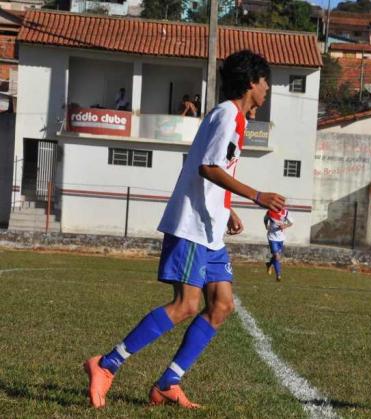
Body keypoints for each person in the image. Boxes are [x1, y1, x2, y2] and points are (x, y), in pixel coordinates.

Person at [83, 50, 284, 409]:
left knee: (221, 305)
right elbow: (207, 167)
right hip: (191, 225)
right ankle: (106, 364)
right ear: (252, 82)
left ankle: (168, 383)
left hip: (210, 228)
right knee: (186, 304)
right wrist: (256, 196)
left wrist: (228, 208)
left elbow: (210, 169)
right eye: (266, 81)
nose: (268, 89)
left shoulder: (234, 118)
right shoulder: (226, 115)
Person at [264, 207, 293, 282]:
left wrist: (285, 226)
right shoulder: (270, 212)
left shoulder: (285, 212)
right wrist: (266, 226)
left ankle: (269, 264)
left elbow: (291, 223)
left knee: (276, 256)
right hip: (272, 238)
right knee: (277, 256)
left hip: (281, 238)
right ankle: (278, 275)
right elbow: (265, 219)